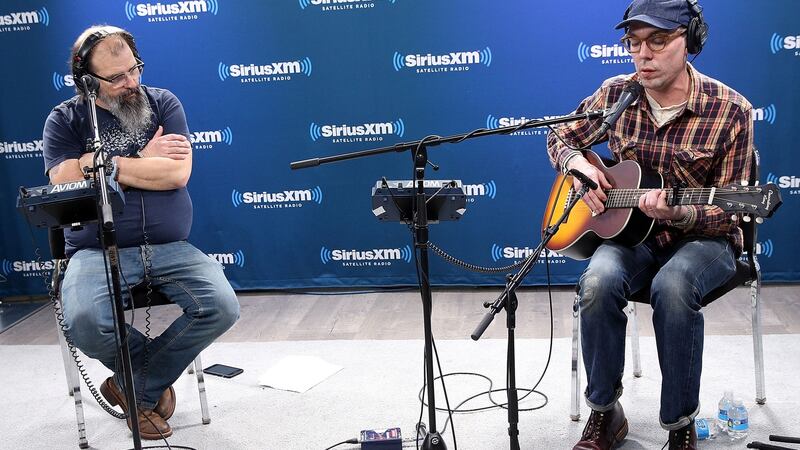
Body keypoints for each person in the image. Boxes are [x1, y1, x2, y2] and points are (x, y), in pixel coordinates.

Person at [546, 1, 753, 449]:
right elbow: (560, 135)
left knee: (673, 286)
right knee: (597, 281)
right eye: (634, 43)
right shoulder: (616, 94)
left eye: (658, 41)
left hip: (705, 238)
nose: (644, 54)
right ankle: (605, 412)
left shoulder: (730, 110)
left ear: (690, 41)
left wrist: (680, 212)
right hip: (632, 236)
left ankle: (679, 424)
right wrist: (579, 166)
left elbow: (732, 211)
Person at [42, 25, 240, 440]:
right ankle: (148, 383)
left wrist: (105, 165)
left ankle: (133, 386)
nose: (131, 82)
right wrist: (142, 160)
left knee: (221, 306)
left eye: (134, 69)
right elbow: (64, 179)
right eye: (116, 77)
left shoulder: (163, 103)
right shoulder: (65, 119)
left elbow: (176, 174)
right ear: (86, 81)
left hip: (170, 246)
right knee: (83, 320)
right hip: (95, 250)